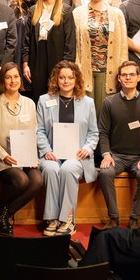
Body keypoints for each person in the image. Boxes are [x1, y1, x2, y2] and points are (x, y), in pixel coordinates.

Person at [37, 61, 97, 237]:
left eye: (70, 77)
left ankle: (67, 218)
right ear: (56, 79)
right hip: (52, 154)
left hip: (77, 156)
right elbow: (39, 130)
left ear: (76, 79)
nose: (66, 81)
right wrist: (46, 150)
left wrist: (87, 148)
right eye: (62, 77)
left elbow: (94, 133)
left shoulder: (88, 103)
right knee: (50, 168)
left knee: (68, 169)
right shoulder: (44, 100)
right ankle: (52, 218)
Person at [0, 63, 43, 236]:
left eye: (16, 76)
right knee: (22, 180)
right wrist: (4, 156)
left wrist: (31, 157)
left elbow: (34, 133)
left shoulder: (29, 104)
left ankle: (3, 214)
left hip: (24, 158)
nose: (13, 80)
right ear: (2, 80)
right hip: (1, 160)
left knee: (37, 180)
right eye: (8, 77)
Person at [97, 61, 140, 229]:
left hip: (138, 157)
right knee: (105, 173)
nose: (128, 77)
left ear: (138, 78)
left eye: (132, 74)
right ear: (119, 78)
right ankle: (114, 218)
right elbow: (102, 132)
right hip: (115, 155)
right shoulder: (109, 102)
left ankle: (134, 218)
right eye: (124, 75)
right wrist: (106, 154)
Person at [73, 0, 128, 109]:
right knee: (86, 111)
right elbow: (73, 44)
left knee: (104, 111)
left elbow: (122, 44)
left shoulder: (116, 14)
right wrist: (75, 68)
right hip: (85, 69)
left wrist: (123, 69)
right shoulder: (77, 13)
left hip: (108, 70)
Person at [22, 0, 75, 101]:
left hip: (58, 60)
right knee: (39, 98)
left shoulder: (66, 11)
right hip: (37, 60)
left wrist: (66, 68)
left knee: (56, 98)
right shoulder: (33, 10)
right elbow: (26, 41)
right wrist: (25, 64)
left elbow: (70, 43)